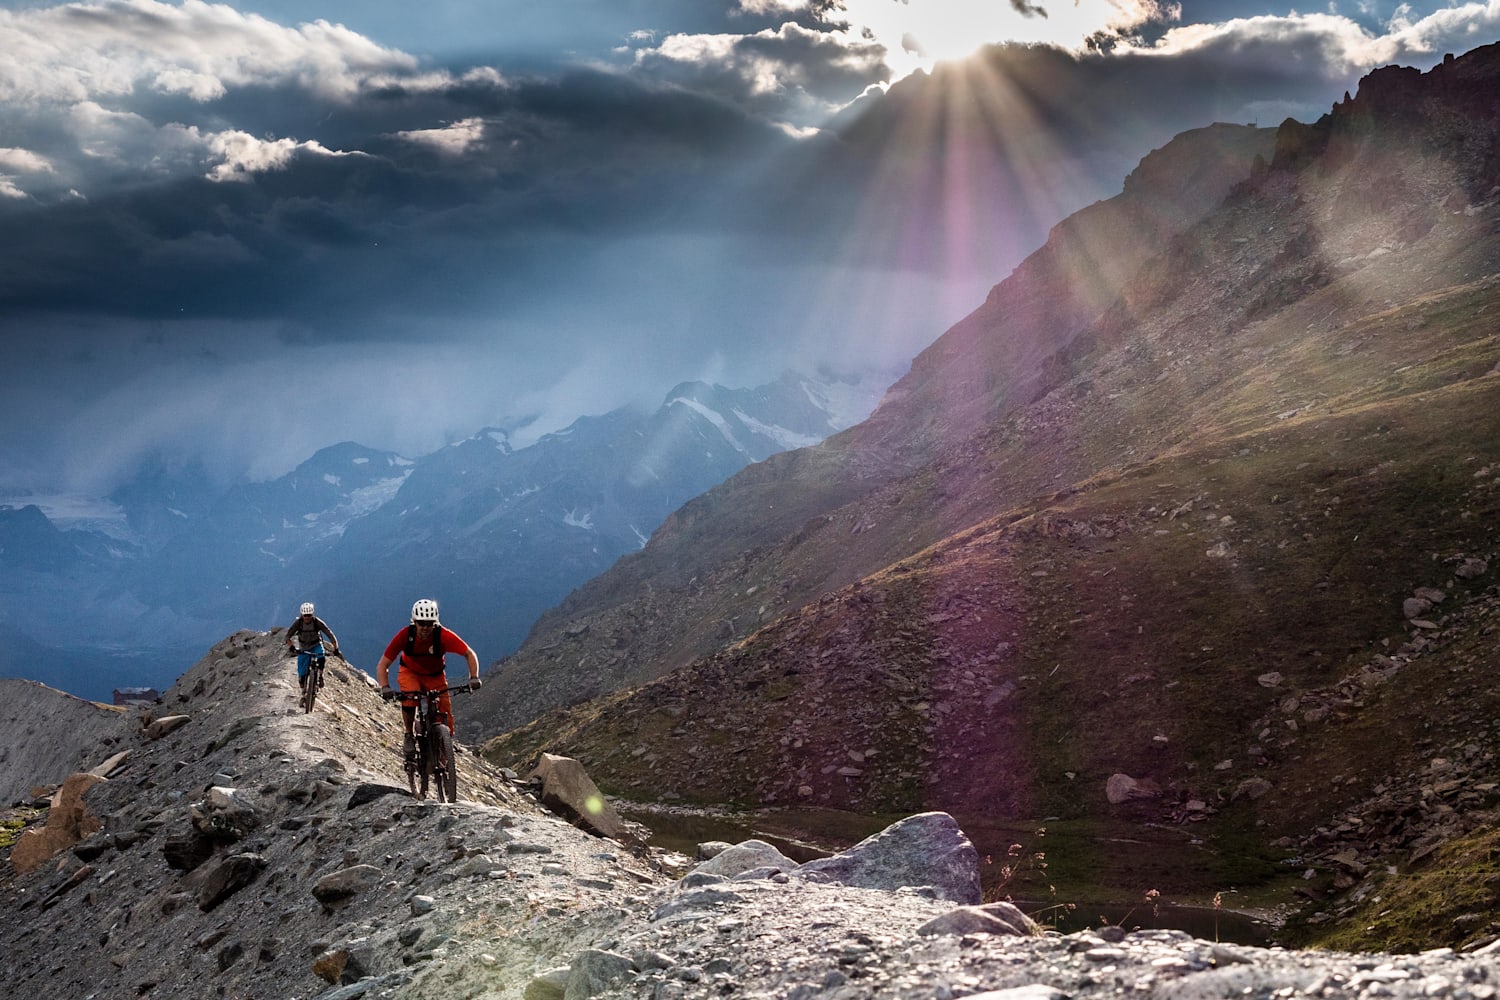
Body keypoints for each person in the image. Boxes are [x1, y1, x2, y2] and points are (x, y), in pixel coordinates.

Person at [375, 598, 481, 761]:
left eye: (429, 623)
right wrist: (385, 687)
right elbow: (383, 664)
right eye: (421, 623)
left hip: (435, 675)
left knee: (445, 713)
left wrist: (473, 677)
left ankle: (444, 751)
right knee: (410, 698)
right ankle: (409, 735)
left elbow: (469, 653)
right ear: (414, 622)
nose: (425, 627)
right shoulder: (405, 635)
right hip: (410, 672)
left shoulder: (443, 635)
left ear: (435, 623)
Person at [285, 602, 339, 692]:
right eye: (305, 615)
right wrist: (292, 647)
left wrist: (336, 648)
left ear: (312, 614)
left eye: (309, 615)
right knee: (301, 676)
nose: (307, 617)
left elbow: (329, 634)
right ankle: (303, 690)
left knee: (321, 657)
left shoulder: (317, 622)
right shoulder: (298, 623)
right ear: (302, 615)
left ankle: (320, 675)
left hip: (316, 645)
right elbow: (287, 636)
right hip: (304, 647)